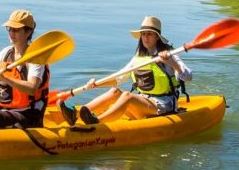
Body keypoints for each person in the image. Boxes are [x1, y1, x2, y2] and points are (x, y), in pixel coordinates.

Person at [58, 16, 192, 125]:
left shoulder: (169, 54)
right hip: (144, 103)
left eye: (150, 34)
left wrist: (172, 63)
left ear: (157, 37)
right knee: (115, 91)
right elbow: (119, 78)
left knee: (127, 96)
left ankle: (97, 122)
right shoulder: (138, 57)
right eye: (143, 34)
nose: (145, 38)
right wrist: (96, 84)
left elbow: (188, 76)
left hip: (164, 105)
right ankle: (74, 114)